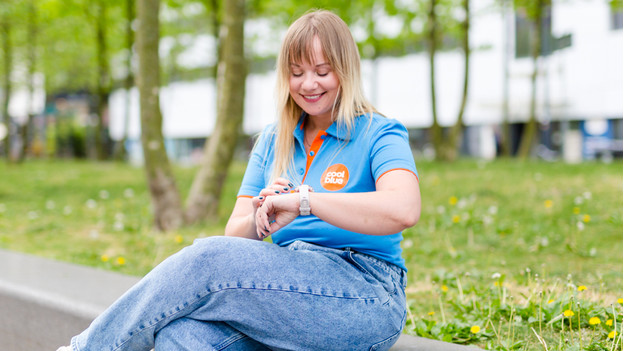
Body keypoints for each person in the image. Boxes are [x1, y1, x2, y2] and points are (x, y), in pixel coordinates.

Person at [57, 9, 421, 351]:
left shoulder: (379, 132)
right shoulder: (273, 138)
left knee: (208, 257)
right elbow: (237, 233)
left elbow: (404, 208)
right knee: (183, 336)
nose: (308, 84)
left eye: (322, 71)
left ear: (346, 70)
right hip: (284, 285)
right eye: (296, 73)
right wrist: (262, 219)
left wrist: (305, 201)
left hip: (367, 292)